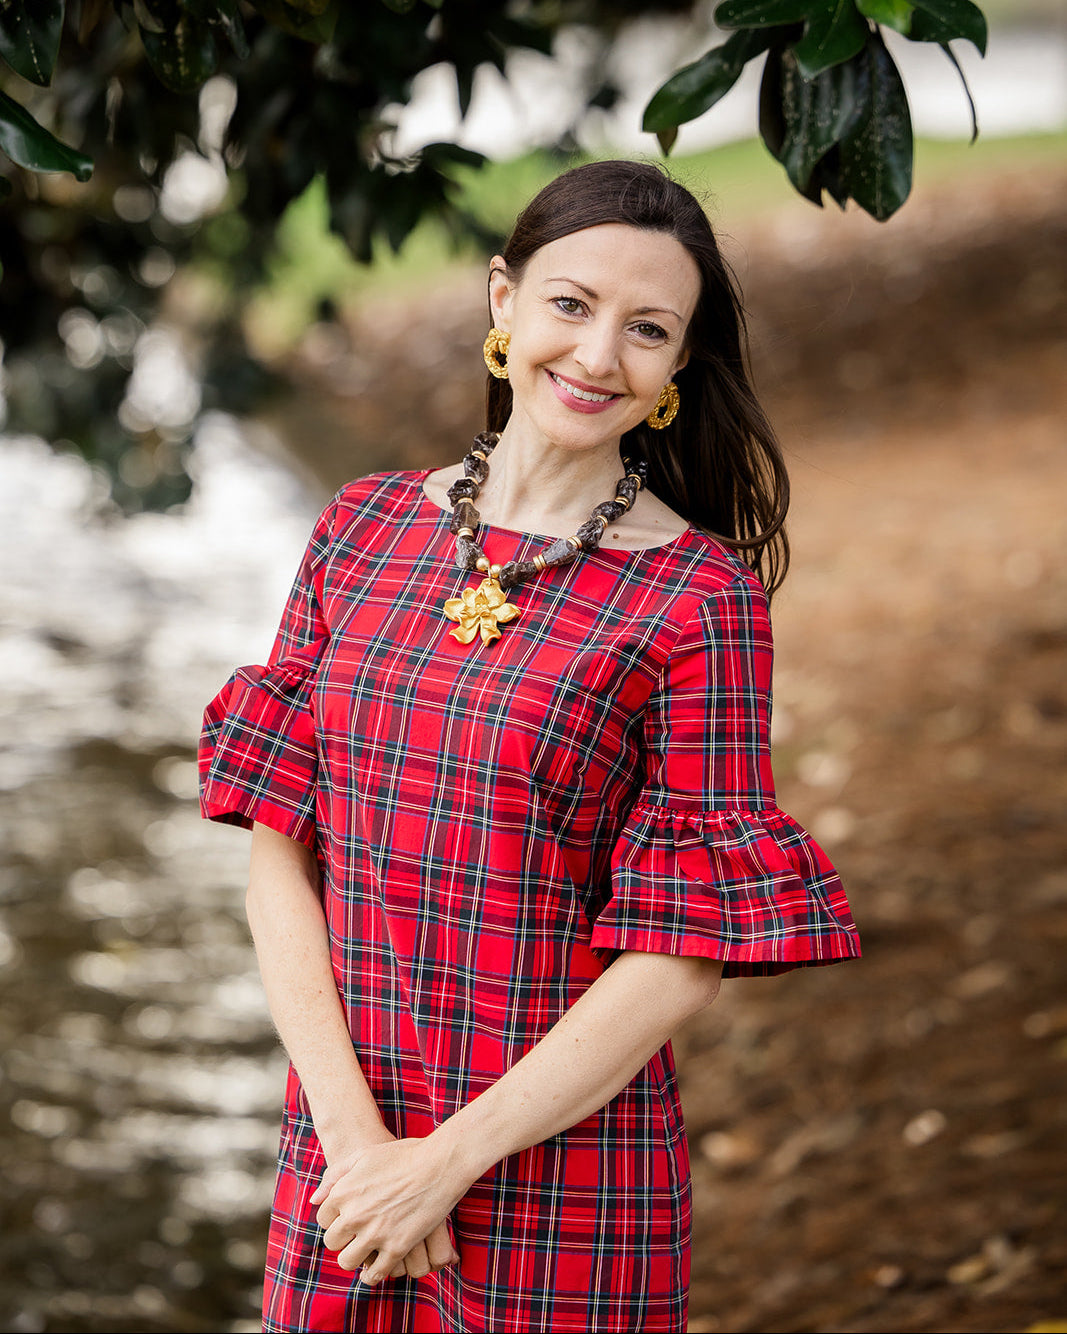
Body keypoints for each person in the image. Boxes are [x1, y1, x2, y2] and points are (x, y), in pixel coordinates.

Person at [198, 159, 860, 1334]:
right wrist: (358, 1145)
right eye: (570, 303)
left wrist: (442, 1161)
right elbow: (278, 858)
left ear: (676, 368)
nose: (598, 355)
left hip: (558, 1174)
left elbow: (678, 953)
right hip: (345, 1156)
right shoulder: (360, 530)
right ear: (502, 299)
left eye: (645, 328)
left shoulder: (695, 599)